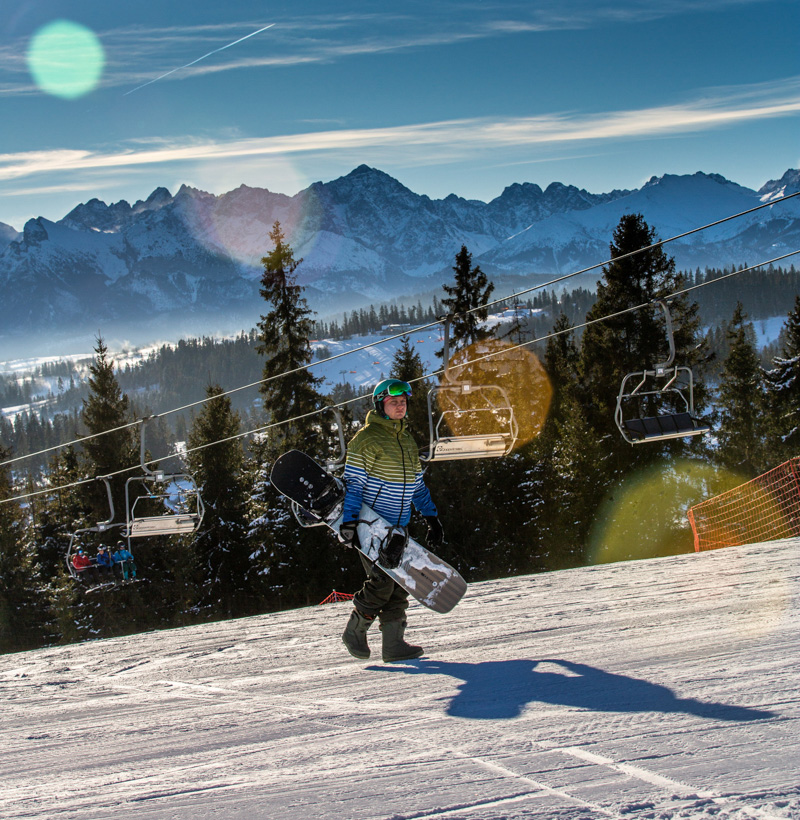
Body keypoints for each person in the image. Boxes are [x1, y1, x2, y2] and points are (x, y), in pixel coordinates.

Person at [339, 378, 444, 662]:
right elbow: (354, 485)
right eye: (394, 402)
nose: (400, 406)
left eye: (403, 402)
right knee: (382, 583)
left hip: (399, 527)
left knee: (399, 585)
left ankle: (393, 645)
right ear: (380, 405)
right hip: (371, 525)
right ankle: (354, 631)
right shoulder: (365, 439)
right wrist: (349, 523)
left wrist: (431, 516)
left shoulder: (407, 440)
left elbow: (417, 485)